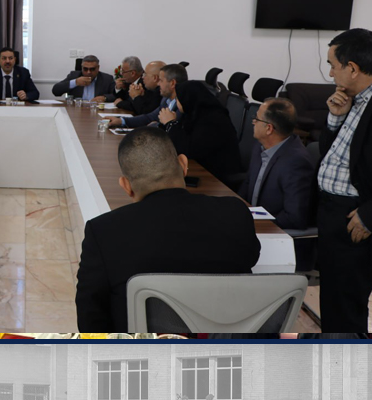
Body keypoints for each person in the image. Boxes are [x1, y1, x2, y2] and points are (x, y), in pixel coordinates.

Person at [75, 128, 261, 332]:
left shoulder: (103, 232)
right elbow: (250, 259)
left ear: (126, 186)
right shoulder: (235, 213)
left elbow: (90, 319)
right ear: (183, 164)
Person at [317, 28, 372, 333]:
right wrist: (336, 117)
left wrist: (371, 214)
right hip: (333, 212)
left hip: (355, 216)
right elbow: (331, 156)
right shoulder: (354, 100)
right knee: (334, 300)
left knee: (345, 307)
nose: (330, 73)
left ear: (352, 68)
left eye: (333, 66)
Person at [238, 98, 317, 230]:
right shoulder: (260, 146)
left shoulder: (296, 162)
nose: (253, 122)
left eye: (256, 119)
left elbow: (294, 217)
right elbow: (247, 184)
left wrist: (256, 224)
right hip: (250, 224)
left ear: (269, 128)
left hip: (273, 230)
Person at [161, 81, 243, 182]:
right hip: (201, 169)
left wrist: (170, 123)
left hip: (217, 179)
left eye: (178, 98)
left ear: (188, 99)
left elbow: (189, 150)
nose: (177, 101)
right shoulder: (194, 114)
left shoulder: (213, 120)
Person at [107, 63, 186, 128]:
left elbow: (175, 132)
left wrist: (155, 125)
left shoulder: (183, 106)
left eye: (161, 80)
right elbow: (150, 117)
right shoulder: (166, 99)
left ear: (172, 83)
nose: (158, 84)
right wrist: (121, 121)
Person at [51, 54, 116, 102]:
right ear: (81, 68)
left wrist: (104, 98)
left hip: (97, 110)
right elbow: (55, 91)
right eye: (85, 69)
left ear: (98, 68)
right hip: (77, 110)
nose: (88, 72)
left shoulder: (107, 79)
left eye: (92, 69)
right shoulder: (74, 76)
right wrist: (75, 82)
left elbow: (116, 95)